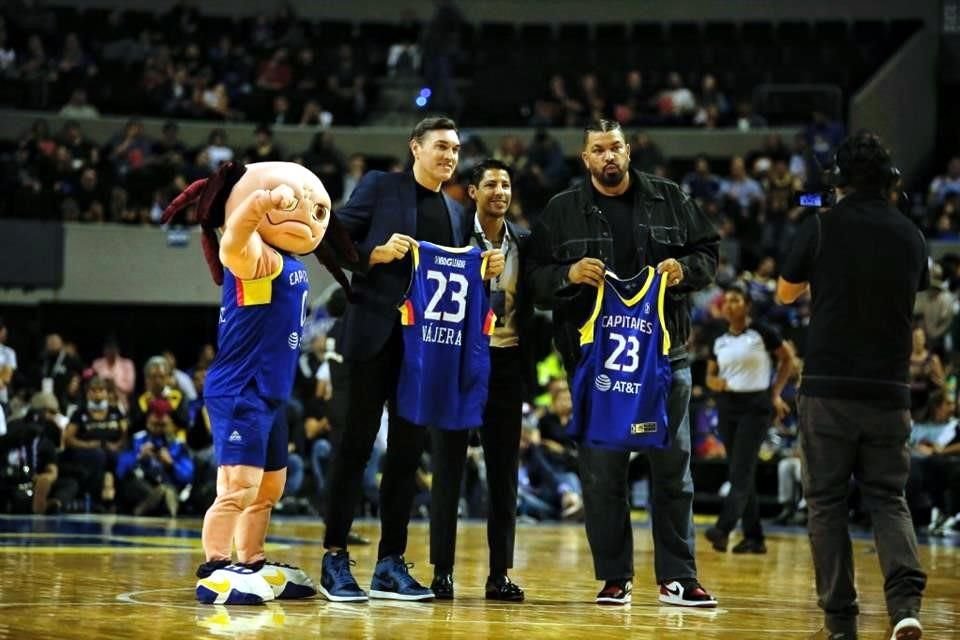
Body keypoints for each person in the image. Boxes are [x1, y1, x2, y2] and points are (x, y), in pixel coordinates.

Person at [526, 119, 719, 607]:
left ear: (628, 152)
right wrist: (567, 272)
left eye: (615, 147)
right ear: (585, 158)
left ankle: (678, 577)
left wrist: (686, 270)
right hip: (596, 365)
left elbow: (709, 252)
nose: (608, 156)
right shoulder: (561, 210)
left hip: (665, 356)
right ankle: (615, 577)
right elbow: (532, 280)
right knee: (603, 475)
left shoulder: (671, 198)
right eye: (598, 149)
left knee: (673, 472)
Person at [319, 116, 504, 602]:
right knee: (354, 448)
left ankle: (389, 562)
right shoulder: (381, 187)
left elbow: (458, 287)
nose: (450, 156)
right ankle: (334, 556)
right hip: (371, 337)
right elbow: (329, 237)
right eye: (441, 146)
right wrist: (372, 256)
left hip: (425, 350)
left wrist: (486, 272)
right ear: (415, 148)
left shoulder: (458, 213)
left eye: (457, 149)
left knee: (404, 456)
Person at [161, 161, 334, 605]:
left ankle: (251, 559)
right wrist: (261, 201)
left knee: (270, 487)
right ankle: (217, 564)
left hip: (272, 392)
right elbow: (232, 242)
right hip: (241, 390)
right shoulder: (255, 259)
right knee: (238, 485)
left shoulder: (291, 263)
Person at [777, 130, 927, 640]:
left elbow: (784, 292)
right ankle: (905, 607)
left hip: (827, 389)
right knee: (889, 497)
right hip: (890, 389)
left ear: (837, 180)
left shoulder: (821, 226)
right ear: (889, 181)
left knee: (826, 503)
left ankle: (841, 621)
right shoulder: (911, 234)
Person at [429, 159, 530, 601]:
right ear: (472, 192)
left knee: (503, 473)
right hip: (458, 363)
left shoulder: (525, 244)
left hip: (506, 362)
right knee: (448, 467)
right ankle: (442, 571)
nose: (500, 191)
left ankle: (499, 574)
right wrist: (474, 273)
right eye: (490, 184)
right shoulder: (450, 239)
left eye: (506, 184)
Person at [704, 283, 795, 554]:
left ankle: (723, 529)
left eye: (735, 300)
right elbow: (710, 374)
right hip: (727, 406)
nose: (729, 305)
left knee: (741, 471)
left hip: (756, 406)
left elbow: (788, 360)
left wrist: (776, 393)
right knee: (740, 472)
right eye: (727, 301)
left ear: (747, 305)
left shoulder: (762, 332)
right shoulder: (718, 338)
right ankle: (755, 538)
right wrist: (714, 383)